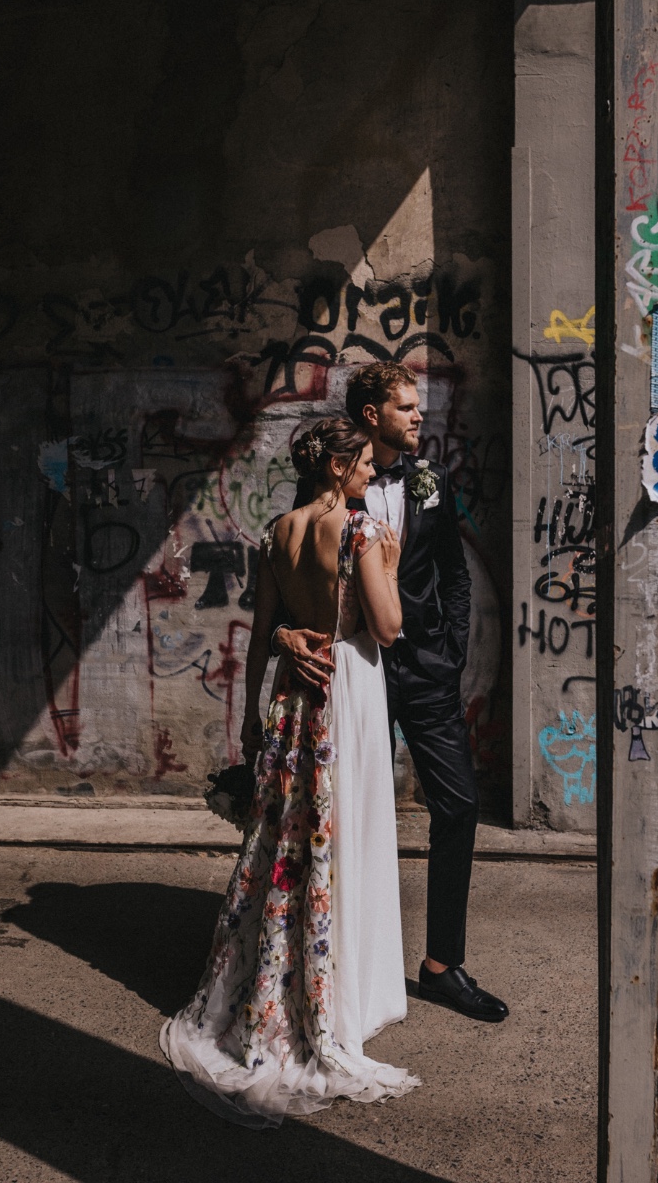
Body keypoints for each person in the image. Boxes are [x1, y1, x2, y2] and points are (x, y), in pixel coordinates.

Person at [160, 417, 420, 1128]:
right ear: (336, 467)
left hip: (291, 697)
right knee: (345, 833)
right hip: (346, 688)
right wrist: (391, 565)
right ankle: (346, 997)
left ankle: (295, 972)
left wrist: (251, 715)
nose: (372, 471)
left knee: (295, 838)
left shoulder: (278, 531)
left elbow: (263, 632)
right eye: (363, 462)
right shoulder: (361, 531)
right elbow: (387, 628)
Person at [275, 362, 508, 1023]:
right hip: (355, 672)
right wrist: (285, 634)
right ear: (372, 415)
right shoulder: (328, 480)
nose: (419, 416)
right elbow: (290, 577)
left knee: (459, 805)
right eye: (406, 407)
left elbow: (453, 573)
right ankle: (340, 965)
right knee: (345, 816)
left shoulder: (432, 479)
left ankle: (442, 966)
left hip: (427, 670)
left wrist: (452, 652)